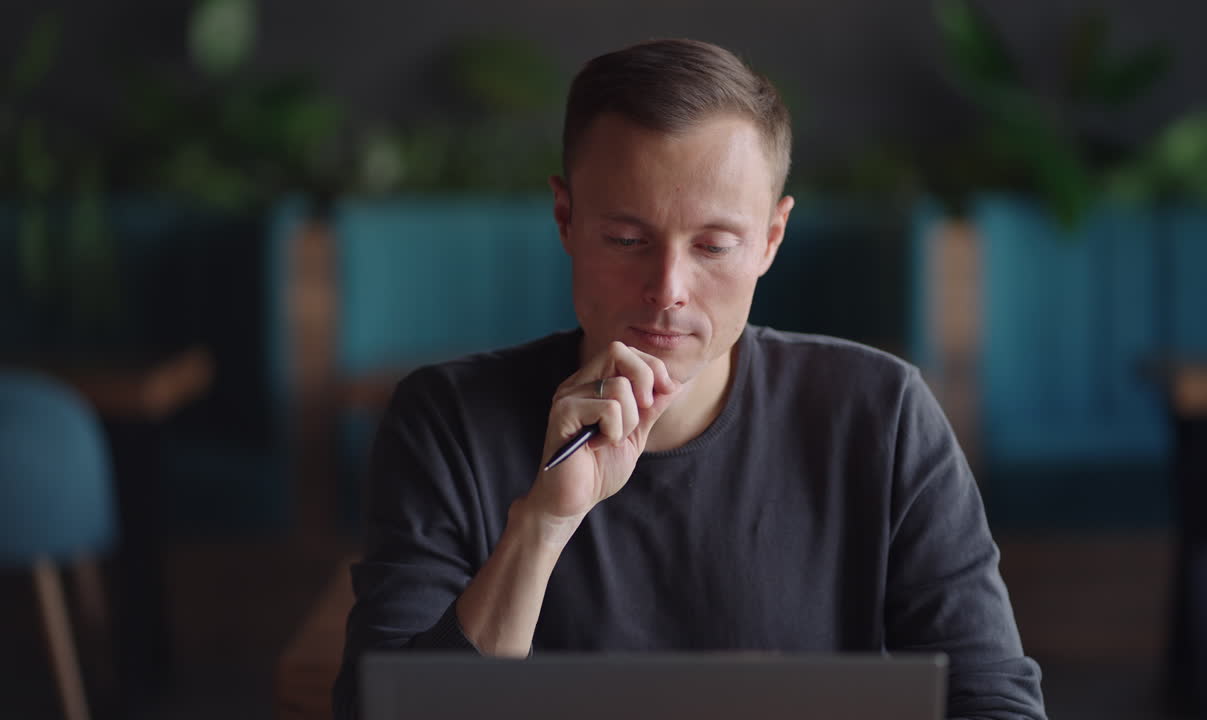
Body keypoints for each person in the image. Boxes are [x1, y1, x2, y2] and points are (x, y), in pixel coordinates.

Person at [334, 38, 1046, 720]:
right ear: (566, 219)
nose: (668, 288)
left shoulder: (881, 414)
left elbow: (995, 703)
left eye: (713, 245)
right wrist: (544, 524)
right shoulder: (447, 420)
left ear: (771, 240)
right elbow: (387, 710)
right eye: (627, 240)